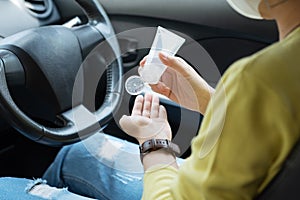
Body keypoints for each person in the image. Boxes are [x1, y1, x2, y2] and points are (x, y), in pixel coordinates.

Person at [1, 0, 300, 199]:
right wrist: (211, 101)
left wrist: (155, 143)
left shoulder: (264, 79)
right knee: (76, 153)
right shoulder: (279, 75)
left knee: (5, 187)